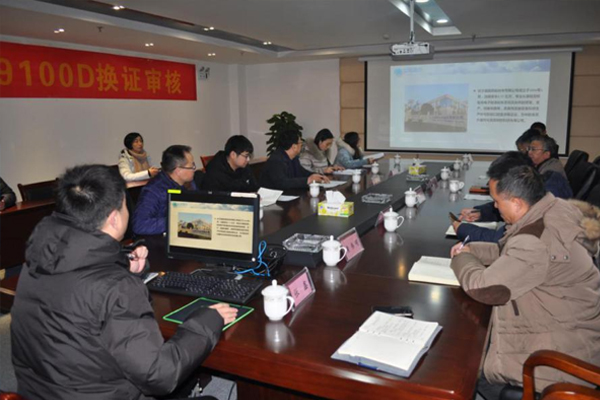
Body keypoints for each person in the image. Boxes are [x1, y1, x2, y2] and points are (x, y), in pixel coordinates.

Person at [11, 164, 238, 400]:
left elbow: (80, 293)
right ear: (114, 218)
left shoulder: (37, 261)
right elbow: (159, 375)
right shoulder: (116, 287)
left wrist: (122, 266)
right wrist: (206, 320)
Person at [450, 165, 600, 398]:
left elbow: (483, 288)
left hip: (552, 365)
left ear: (517, 203)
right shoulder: (554, 211)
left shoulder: (535, 240)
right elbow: (512, 253)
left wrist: (461, 259)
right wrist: (473, 250)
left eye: (497, 202)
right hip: (576, 339)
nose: (495, 207)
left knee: (462, 365)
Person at [455, 151, 573, 243]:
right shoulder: (537, 187)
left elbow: (500, 240)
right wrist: (481, 213)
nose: (496, 205)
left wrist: (461, 229)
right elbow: (508, 203)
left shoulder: (541, 205)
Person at [133, 145, 198, 235]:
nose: (194, 169)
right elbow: (140, 225)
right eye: (192, 166)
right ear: (178, 170)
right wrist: (176, 221)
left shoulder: (189, 183)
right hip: (159, 239)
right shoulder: (153, 190)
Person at [260, 130, 329, 190]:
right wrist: (308, 180)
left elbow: (302, 173)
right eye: (300, 143)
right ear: (294, 147)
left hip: (288, 194)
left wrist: (318, 176)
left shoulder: (293, 158)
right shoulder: (276, 160)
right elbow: (282, 183)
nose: (302, 145)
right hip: (273, 197)